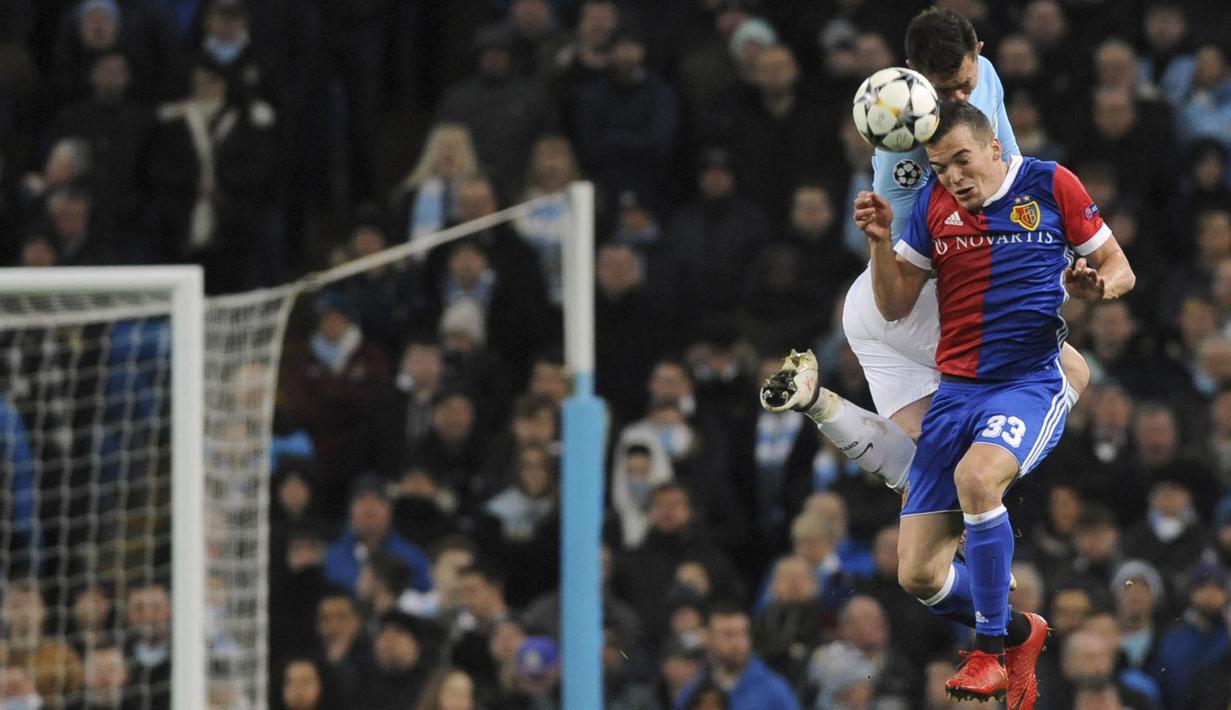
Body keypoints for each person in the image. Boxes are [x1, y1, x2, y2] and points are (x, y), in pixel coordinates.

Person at [851, 101, 1134, 702]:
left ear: (994, 149)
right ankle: (1018, 633)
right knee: (919, 574)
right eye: (940, 165)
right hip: (956, 393)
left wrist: (1098, 286)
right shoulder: (933, 204)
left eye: (961, 160)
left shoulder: (1050, 183)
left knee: (978, 479)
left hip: (1030, 382)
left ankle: (986, 652)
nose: (952, 176)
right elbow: (896, 304)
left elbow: (1120, 266)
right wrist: (880, 243)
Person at [760, 7, 1090, 501]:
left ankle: (818, 403)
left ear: (979, 53)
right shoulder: (906, 145)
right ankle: (985, 509)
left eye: (963, 85)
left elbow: (1016, 176)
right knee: (1069, 375)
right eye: (941, 89)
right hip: (916, 297)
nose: (955, 100)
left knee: (924, 460)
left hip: (869, 309)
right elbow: (913, 253)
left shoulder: (989, 78)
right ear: (912, 70)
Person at [673, 602, 799, 710]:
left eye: (742, 634)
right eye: (728, 635)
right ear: (708, 638)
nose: (737, 643)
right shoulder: (694, 691)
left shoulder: (774, 690)